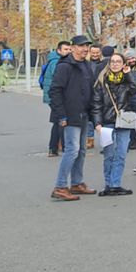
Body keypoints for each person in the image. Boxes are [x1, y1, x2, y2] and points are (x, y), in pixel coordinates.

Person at [48, 35, 97, 202]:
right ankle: (60, 186)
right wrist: (61, 115)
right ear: (73, 47)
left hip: (83, 114)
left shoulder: (86, 65)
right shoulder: (65, 66)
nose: (85, 49)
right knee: (72, 150)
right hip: (69, 115)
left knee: (81, 150)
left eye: (87, 46)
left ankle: (76, 183)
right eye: (82, 46)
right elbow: (55, 91)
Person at [92, 53, 136, 196]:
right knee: (109, 155)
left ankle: (115, 184)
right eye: (112, 61)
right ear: (109, 64)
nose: (115, 64)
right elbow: (96, 104)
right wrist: (97, 123)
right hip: (107, 122)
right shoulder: (102, 81)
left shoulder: (126, 80)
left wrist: (129, 74)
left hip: (124, 122)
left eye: (118, 61)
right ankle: (108, 184)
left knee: (121, 154)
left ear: (123, 64)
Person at [40, 41, 72, 157]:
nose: (68, 52)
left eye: (69, 49)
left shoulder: (55, 60)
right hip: (57, 97)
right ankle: (63, 147)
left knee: (57, 121)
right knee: (62, 121)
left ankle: (54, 148)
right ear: (59, 51)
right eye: (65, 49)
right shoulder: (57, 62)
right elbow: (60, 80)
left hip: (54, 96)